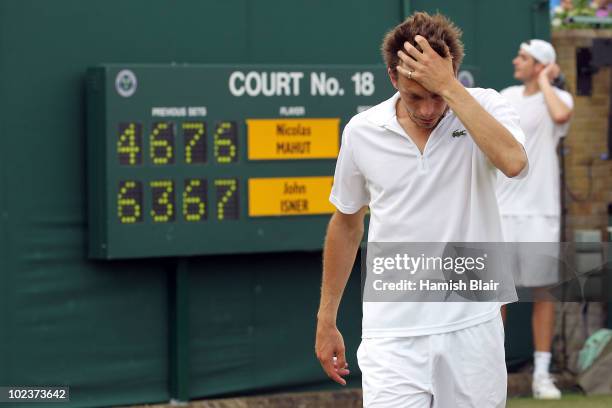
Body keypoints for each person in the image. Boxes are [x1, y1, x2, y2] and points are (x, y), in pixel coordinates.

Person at [315, 12, 528, 407]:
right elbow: (346, 224)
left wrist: (448, 87)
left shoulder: (484, 106)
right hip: (390, 335)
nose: (429, 109)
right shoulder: (362, 130)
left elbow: (514, 162)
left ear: (452, 73)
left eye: (436, 96)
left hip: (473, 327)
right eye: (416, 96)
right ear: (393, 78)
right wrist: (326, 319)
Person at [497, 39, 573, 400]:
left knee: (544, 292)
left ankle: (542, 375)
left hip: (540, 212)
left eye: (523, 57)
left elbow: (559, 115)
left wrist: (546, 82)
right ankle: (492, 373)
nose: (516, 60)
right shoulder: (506, 95)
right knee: (495, 294)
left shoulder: (560, 100)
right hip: (501, 209)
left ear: (540, 65)